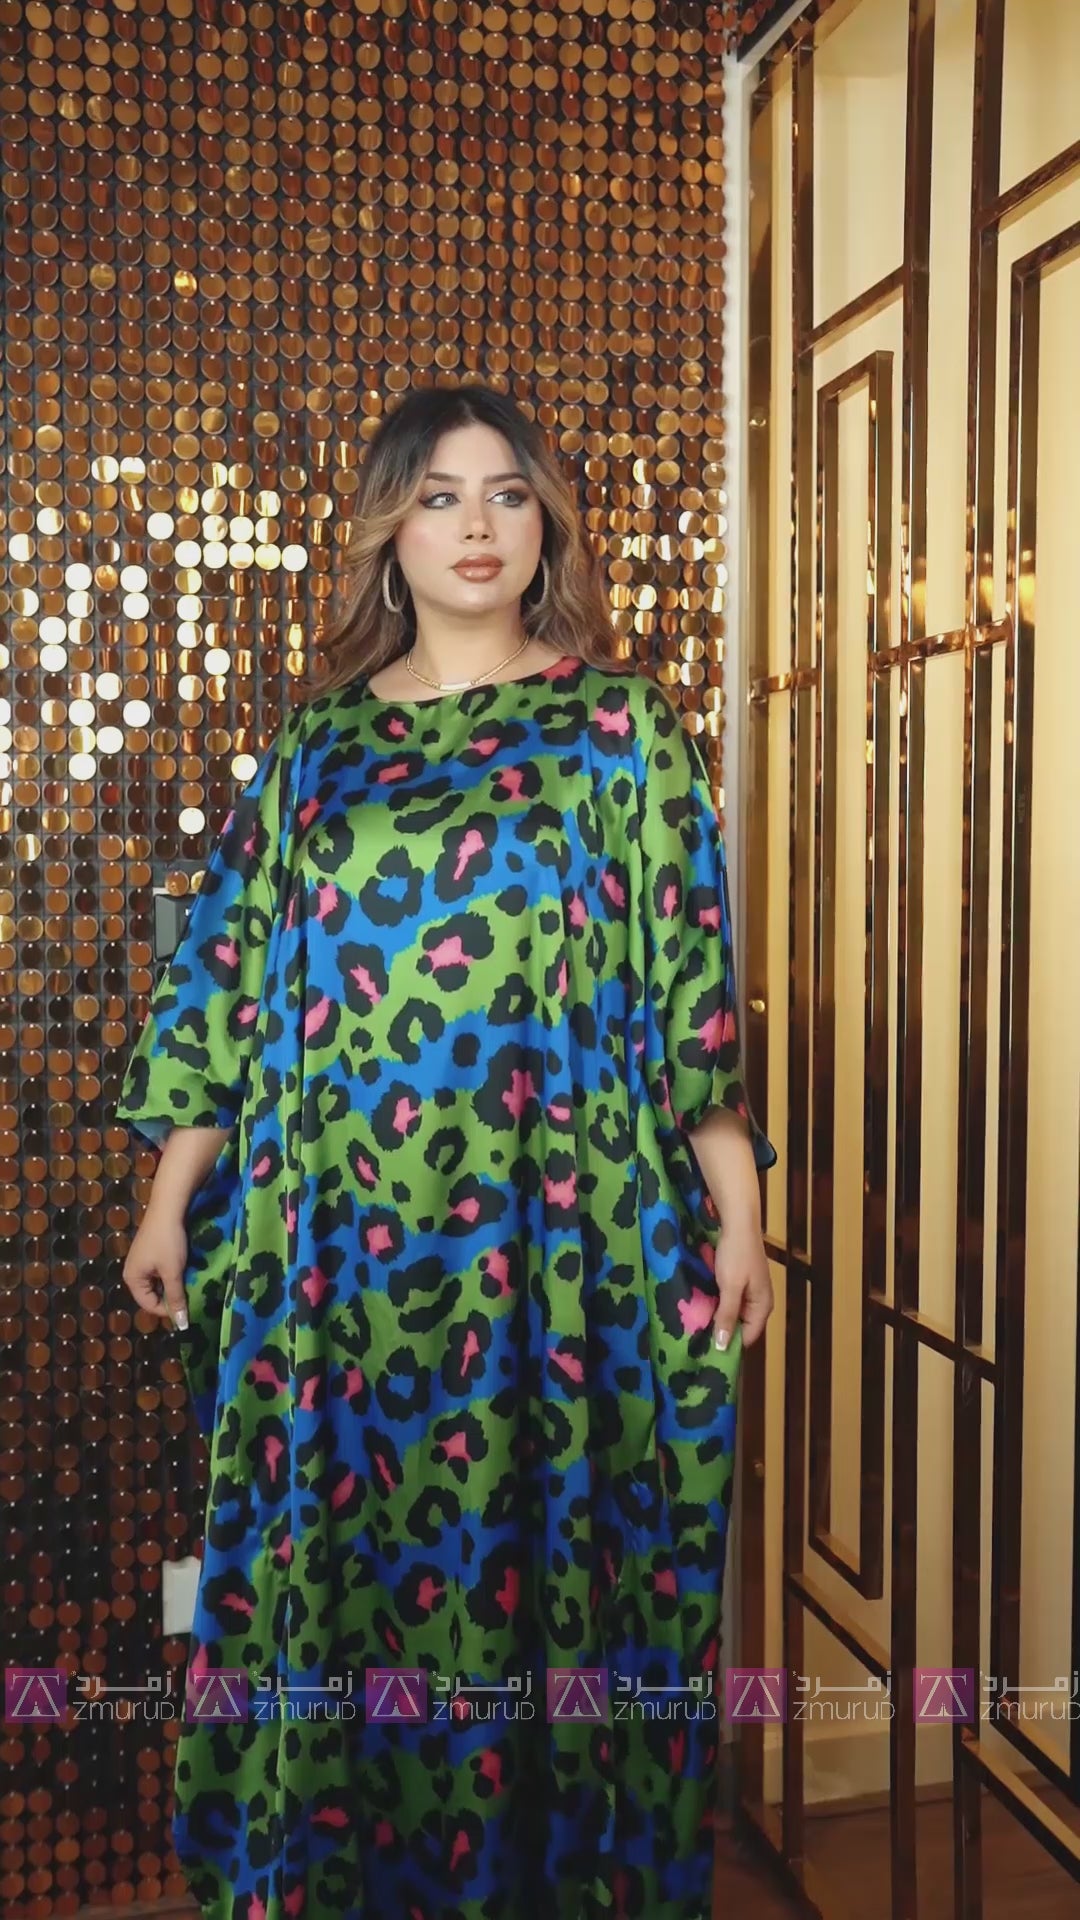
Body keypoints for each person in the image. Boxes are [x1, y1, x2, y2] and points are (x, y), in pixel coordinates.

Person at [117, 380, 777, 1920]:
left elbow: (690, 992)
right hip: (342, 1267)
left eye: (506, 493)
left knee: (560, 1575)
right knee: (347, 1582)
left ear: (544, 525)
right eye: (439, 496)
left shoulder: (622, 730)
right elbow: (225, 987)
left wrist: (739, 1218)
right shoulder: (317, 750)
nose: (477, 525)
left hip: (565, 1256)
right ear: (390, 532)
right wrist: (167, 1202)